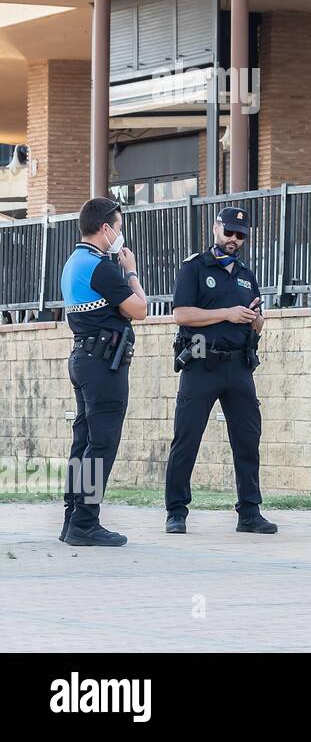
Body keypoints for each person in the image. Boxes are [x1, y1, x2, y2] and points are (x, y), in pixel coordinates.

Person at [164, 207, 277, 535]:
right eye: (229, 232)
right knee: (187, 438)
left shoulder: (246, 274)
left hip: (238, 366)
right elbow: (182, 315)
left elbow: (257, 321)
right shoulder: (195, 268)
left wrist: (256, 322)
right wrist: (226, 313)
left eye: (240, 235)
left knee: (247, 439)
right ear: (216, 228)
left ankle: (250, 512)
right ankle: (176, 511)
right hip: (201, 364)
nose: (234, 239)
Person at [59, 198, 148, 546]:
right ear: (106, 228)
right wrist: (132, 271)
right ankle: (85, 522)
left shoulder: (73, 262)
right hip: (102, 364)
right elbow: (140, 308)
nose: (121, 235)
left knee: (83, 441)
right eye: (119, 227)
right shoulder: (101, 267)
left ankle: (72, 517)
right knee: (102, 444)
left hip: (85, 359)